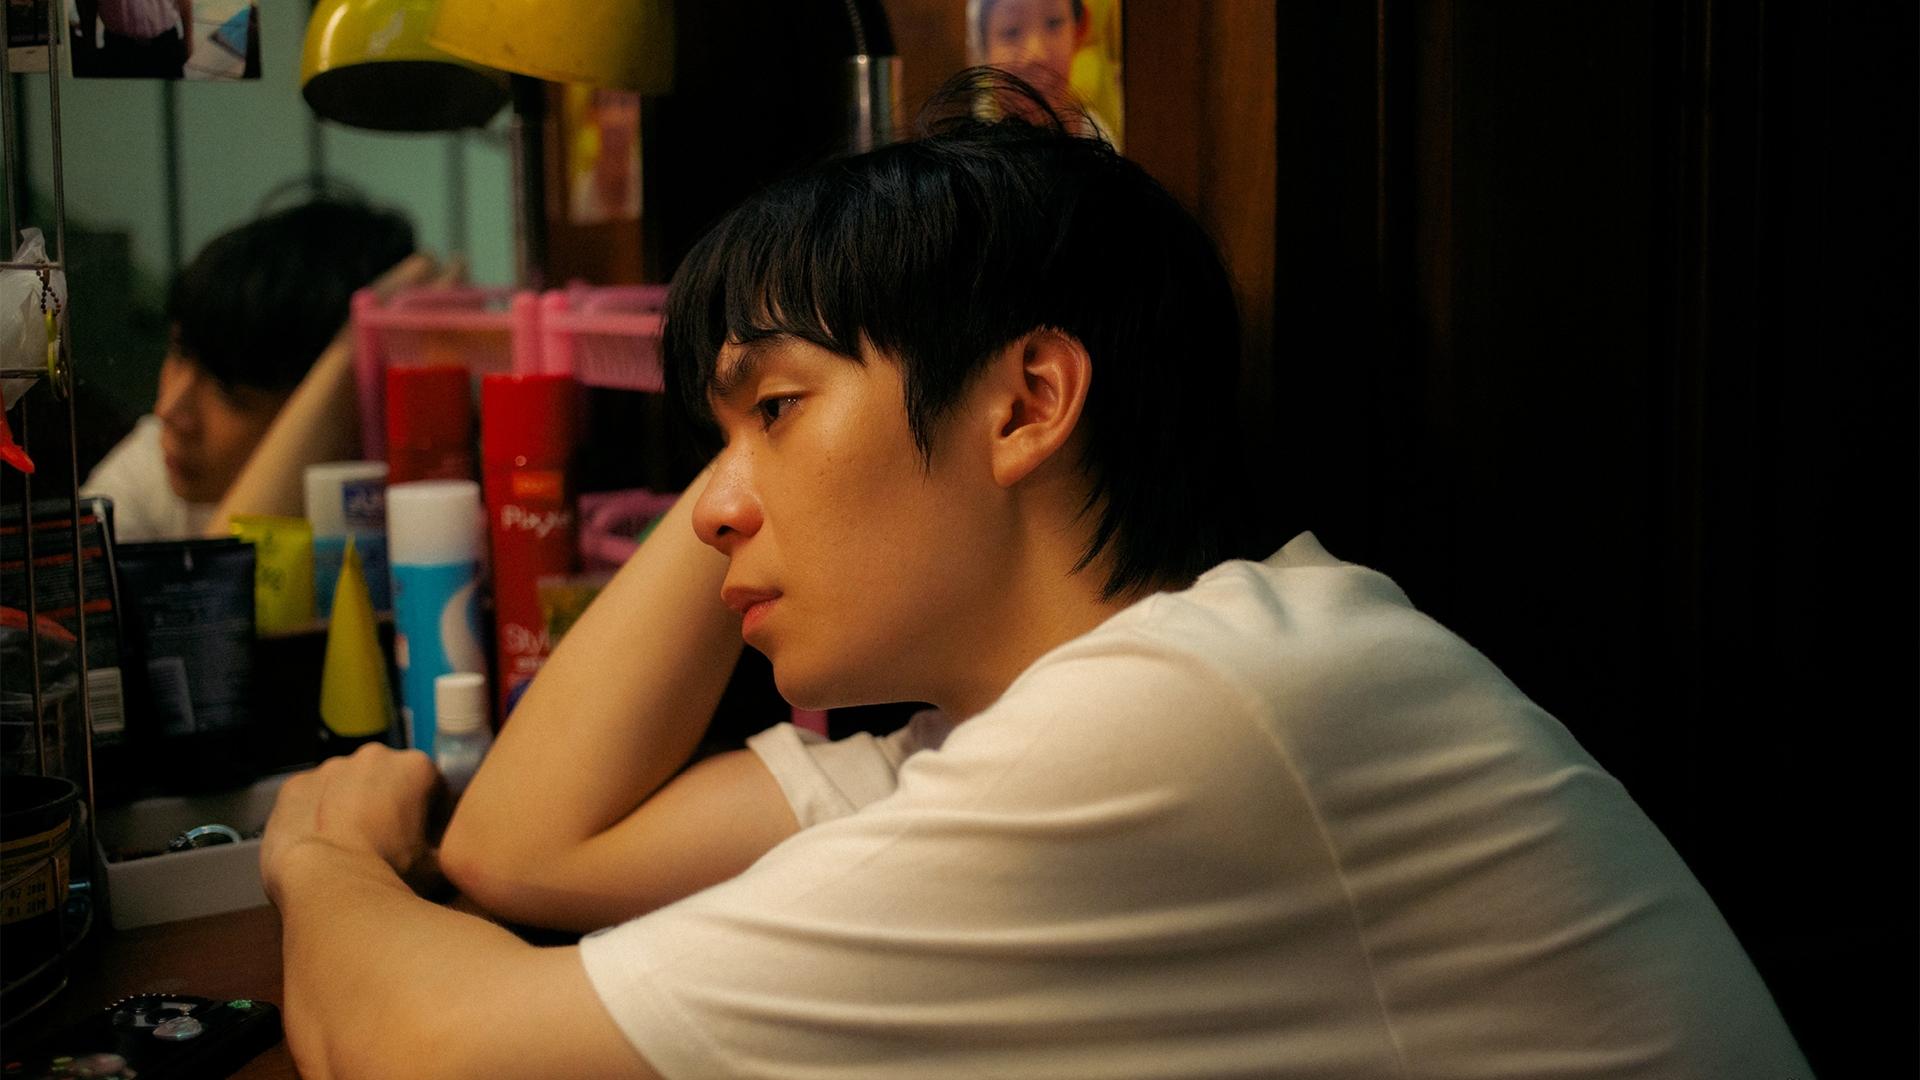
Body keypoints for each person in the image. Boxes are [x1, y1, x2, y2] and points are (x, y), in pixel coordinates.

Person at [260, 77, 1812, 1078]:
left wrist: (322, 856)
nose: (713, 509)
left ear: (1025, 405)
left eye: (779, 411)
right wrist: (761, 414)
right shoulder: (1045, 717)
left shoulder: (1199, 714)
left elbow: (428, 1053)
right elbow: (526, 851)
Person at [81, 197, 424, 542]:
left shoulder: (400, 504)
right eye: (179, 354)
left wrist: (349, 354)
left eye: (229, 394)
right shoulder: (152, 466)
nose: (168, 411)